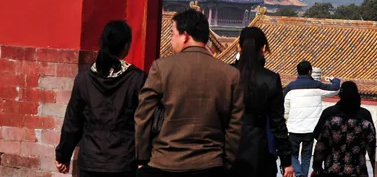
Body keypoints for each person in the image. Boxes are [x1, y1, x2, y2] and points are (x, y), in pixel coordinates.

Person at [135, 9, 244, 177]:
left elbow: (144, 115)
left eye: (172, 34)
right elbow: (235, 125)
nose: (171, 40)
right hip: (210, 163)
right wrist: (226, 162)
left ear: (185, 36)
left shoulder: (162, 68)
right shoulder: (230, 74)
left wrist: (142, 157)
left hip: (164, 162)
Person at [54, 20, 147, 177]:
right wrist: (144, 157)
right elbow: (144, 121)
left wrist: (63, 155)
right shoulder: (137, 79)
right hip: (123, 163)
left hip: (91, 161)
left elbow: (73, 121)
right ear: (126, 46)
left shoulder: (84, 79)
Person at [231, 27, 295, 177]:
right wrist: (286, 160)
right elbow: (277, 123)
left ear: (239, 47)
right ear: (264, 48)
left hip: (228, 145)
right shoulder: (271, 79)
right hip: (259, 148)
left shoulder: (226, 74)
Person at [283, 61, 340, 177]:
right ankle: (302, 174)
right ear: (310, 72)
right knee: (306, 155)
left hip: (294, 128)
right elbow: (335, 89)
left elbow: (285, 109)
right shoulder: (318, 86)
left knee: (292, 154)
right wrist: (335, 80)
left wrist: (285, 123)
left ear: (297, 71)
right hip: (310, 129)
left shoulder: (290, 88)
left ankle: (299, 174)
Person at [311, 81, 376, 177]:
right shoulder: (365, 117)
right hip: (358, 170)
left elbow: (320, 144)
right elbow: (373, 148)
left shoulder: (330, 116)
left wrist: (317, 167)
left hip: (333, 169)